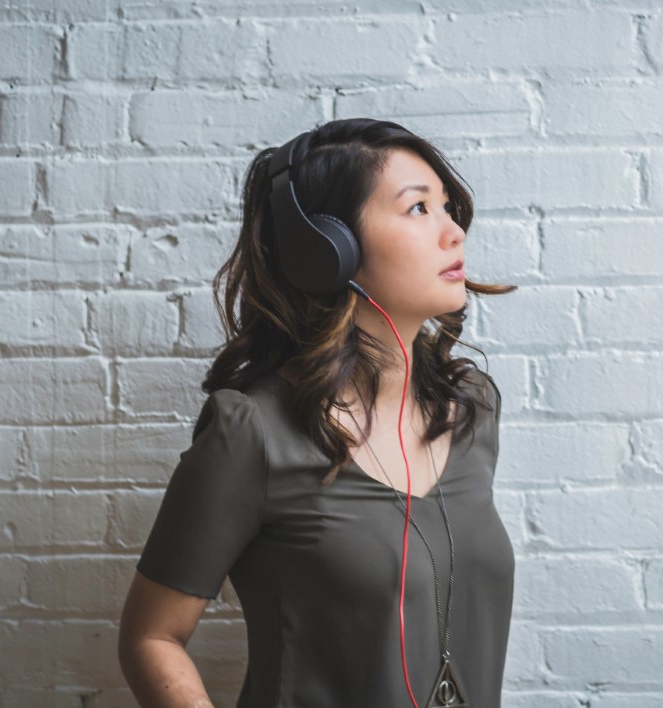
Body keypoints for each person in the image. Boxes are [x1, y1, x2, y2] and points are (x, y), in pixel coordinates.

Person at [117, 117, 518, 707]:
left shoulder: (471, 409)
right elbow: (152, 636)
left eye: (448, 207)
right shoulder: (252, 432)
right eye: (418, 209)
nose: (454, 231)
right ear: (327, 250)